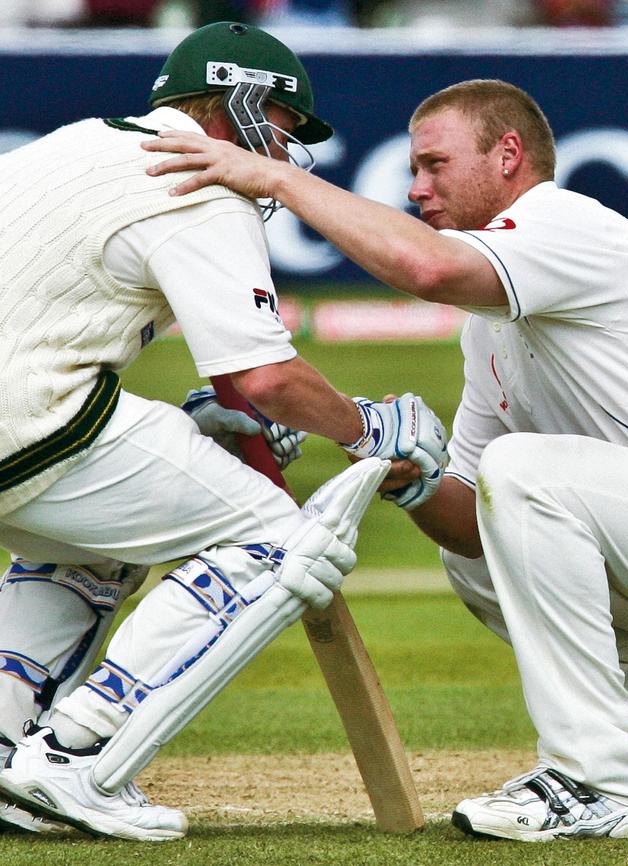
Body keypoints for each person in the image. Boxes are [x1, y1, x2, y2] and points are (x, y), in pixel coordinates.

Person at [139, 77, 628, 842]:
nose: (416, 189)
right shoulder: (488, 329)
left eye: (434, 165)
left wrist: (276, 174)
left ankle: (599, 779)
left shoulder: (564, 221)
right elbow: (474, 521)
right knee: (484, 537)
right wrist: (377, 452)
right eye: (412, 169)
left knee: (521, 472)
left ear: (509, 154)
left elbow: (431, 270)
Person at [0, 22, 448, 840]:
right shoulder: (199, 182)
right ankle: (73, 757)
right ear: (241, 102)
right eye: (281, 125)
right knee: (283, 542)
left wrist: (210, 416)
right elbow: (265, 377)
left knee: (96, 537)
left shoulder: (79, 143)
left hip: (24, 423)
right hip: (29, 423)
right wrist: (367, 430)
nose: (284, 151)